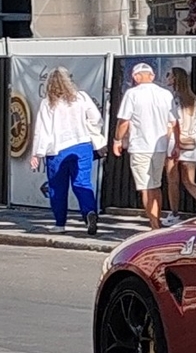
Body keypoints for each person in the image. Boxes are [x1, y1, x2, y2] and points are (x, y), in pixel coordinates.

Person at [31, 66, 104, 234]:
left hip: (58, 150)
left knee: (58, 188)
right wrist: (89, 129)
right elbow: (96, 118)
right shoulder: (82, 97)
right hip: (83, 146)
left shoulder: (48, 103)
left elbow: (41, 130)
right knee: (83, 183)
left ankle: (60, 224)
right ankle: (89, 212)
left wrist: (37, 153)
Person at [111, 61, 178, 229]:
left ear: (135, 77)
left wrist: (117, 140)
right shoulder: (166, 94)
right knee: (156, 186)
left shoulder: (132, 94)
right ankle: (157, 222)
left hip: (140, 145)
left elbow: (124, 121)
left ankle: (154, 225)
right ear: (153, 76)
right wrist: (176, 143)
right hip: (160, 146)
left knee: (146, 188)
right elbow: (175, 122)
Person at [164, 66, 196, 219]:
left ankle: (174, 214)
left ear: (175, 79)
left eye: (169, 75)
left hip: (175, 141)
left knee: (172, 181)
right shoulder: (193, 99)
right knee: (189, 181)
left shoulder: (174, 99)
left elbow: (172, 123)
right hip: (192, 142)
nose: (167, 78)